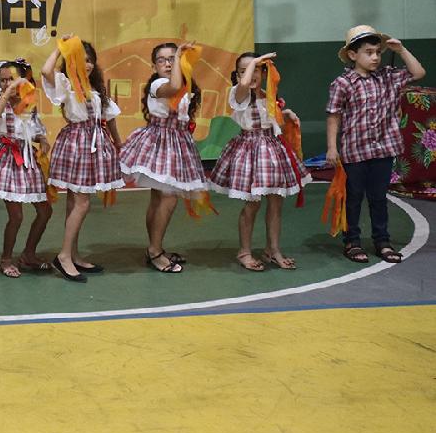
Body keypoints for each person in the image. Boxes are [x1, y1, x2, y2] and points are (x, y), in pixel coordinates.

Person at [326, 26, 425, 265]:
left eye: (378, 52)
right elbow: (334, 116)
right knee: (353, 197)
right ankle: (352, 241)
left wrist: (401, 50)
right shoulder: (343, 83)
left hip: (383, 149)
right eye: (368, 52)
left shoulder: (388, 77)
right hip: (355, 151)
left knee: (378, 197)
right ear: (353, 55)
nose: (375, 57)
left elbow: (418, 72)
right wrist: (331, 147)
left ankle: (382, 241)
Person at [207, 52, 307, 271]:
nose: (250, 74)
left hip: (272, 150)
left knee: (276, 202)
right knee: (252, 203)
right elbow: (244, 85)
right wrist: (253, 63)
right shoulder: (239, 94)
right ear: (238, 75)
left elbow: (269, 120)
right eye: (243, 71)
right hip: (250, 151)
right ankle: (244, 251)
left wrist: (285, 114)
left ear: (263, 73)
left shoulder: (268, 95)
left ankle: (273, 250)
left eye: (256, 70)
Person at [120, 42, 208, 274]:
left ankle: (154, 248)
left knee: (159, 198)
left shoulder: (183, 85)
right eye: (163, 60)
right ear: (154, 66)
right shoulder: (159, 84)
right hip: (161, 143)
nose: (168, 63)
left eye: (172, 58)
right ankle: (155, 251)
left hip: (176, 143)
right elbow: (174, 86)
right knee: (168, 198)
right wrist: (180, 56)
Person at [40, 36, 122, 283]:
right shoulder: (66, 84)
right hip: (77, 143)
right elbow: (45, 71)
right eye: (79, 60)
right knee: (82, 202)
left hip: (93, 143)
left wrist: (118, 143)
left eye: (89, 60)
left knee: (75, 202)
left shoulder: (96, 89)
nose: (85, 65)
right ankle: (64, 255)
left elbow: (110, 118)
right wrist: (60, 49)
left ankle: (73, 254)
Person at [0, 60, 53, 277]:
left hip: (28, 160)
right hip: (8, 162)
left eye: (11, 79)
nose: (6, 83)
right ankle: (6, 259)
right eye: (2, 80)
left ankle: (29, 254)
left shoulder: (28, 103)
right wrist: (7, 93)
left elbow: (32, 130)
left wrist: (42, 139)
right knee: (17, 216)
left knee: (45, 211)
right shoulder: (0, 103)